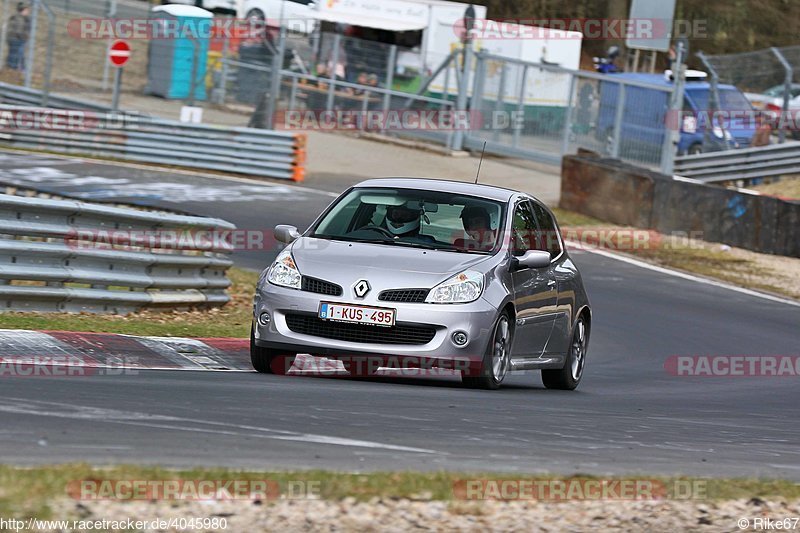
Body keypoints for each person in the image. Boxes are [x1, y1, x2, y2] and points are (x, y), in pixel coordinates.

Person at [6, 3, 30, 71]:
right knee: (17, 56)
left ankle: (13, 69)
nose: (28, 11)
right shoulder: (20, 18)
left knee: (13, 55)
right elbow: (19, 31)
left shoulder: (16, 17)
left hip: (13, 39)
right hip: (17, 39)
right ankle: (16, 69)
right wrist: (24, 38)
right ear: (22, 10)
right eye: (27, 10)